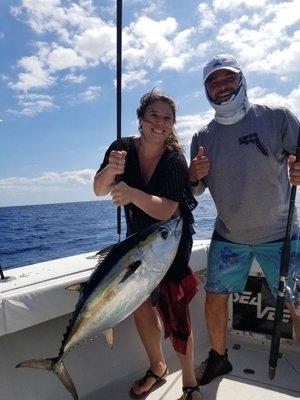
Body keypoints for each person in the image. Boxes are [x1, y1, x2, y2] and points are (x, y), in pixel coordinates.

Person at [189, 54, 300, 386]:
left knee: (298, 301)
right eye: (214, 82)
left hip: (281, 235)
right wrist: (192, 174)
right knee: (214, 297)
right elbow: (194, 191)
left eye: (228, 79)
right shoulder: (202, 137)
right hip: (229, 237)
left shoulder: (277, 118)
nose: (222, 87)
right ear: (207, 90)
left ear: (242, 80)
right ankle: (219, 359)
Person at [94, 89, 201, 400]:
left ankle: (190, 384)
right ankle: (158, 368)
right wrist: (109, 171)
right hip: (139, 241)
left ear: (172, 124)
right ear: (141, 119)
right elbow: (99, 189)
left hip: (170, 242)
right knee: (139, 304)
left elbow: (167, 209)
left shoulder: (173, 158)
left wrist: (131, 194)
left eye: (167, 118)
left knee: (175, 310)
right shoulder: (121, 150)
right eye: (153, 115)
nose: (160, 122)